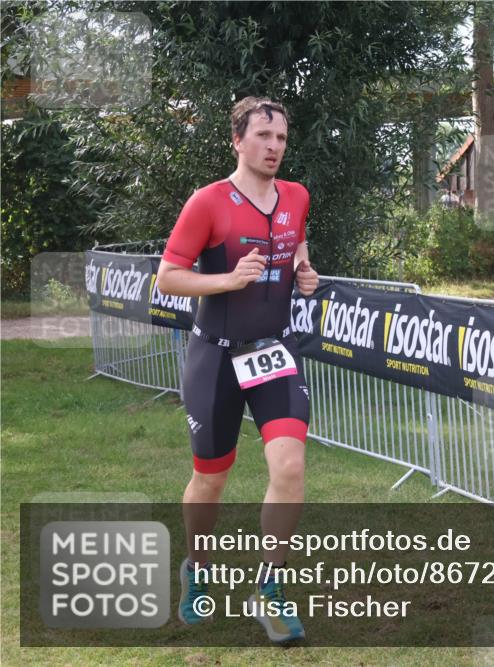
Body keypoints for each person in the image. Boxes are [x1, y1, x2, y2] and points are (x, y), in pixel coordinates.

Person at [156, 96, 320, 643]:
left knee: (290, 467)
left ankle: (269, 589)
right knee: (211, 478)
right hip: (216, 358)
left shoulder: (296, 195)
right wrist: (227, 280)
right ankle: (197, 568)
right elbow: (168, 277)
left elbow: (295, 238)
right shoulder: (208, 203)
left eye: (281, 137)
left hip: (274, 351)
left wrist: (303, 266)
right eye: (263, 136)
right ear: (237, 141)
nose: (274, 146)